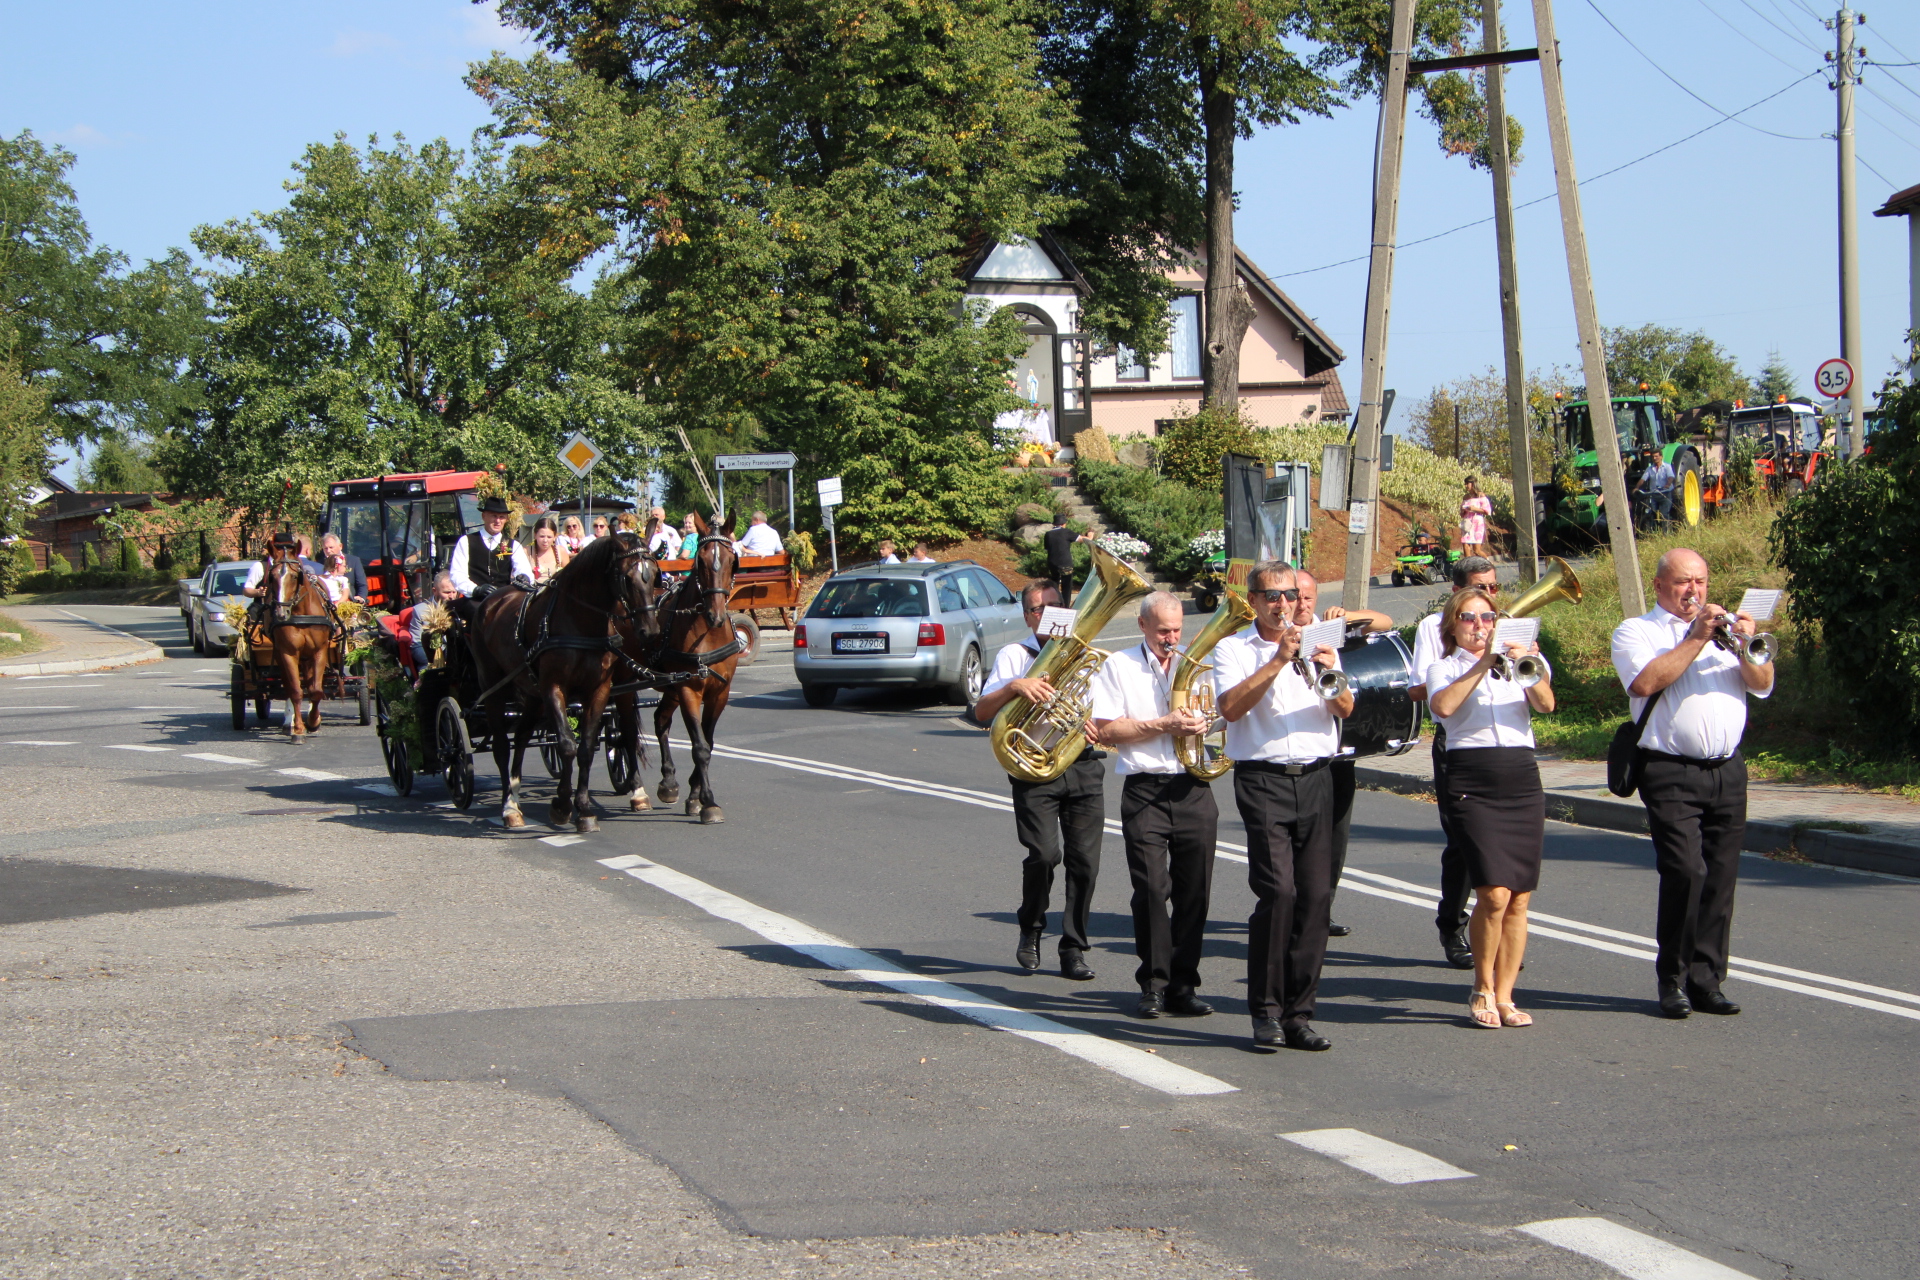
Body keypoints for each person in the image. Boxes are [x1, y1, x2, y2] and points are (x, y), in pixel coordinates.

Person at [1612, 548, 1774, 1019]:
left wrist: (1745, 641)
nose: (1694, 590)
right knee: (1686, 871)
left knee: (1720, 878)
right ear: (1660, 586)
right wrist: (1697, 637)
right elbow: (1644, 683)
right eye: (1684, 582)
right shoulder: (1637, 631)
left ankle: (1707, 981)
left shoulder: (1726, 632)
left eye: (1700, 581)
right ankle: (1672, 978)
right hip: (1670, 770)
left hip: (1727, 770)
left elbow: (1762, 682)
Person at [1214, 561, 1355, 1051]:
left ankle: (1299, 1014)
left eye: (1290, 595)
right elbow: (1230, 709)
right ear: (1252, 600)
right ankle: (1266, 1010)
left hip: (1317, 777)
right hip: (1263, 779)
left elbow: (1345, 708)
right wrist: (1278, 659)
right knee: (1279, 893)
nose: (1283, 604)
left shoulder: (1318, 643)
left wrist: (1328, 667)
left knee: (1316, 899)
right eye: (1272, 596)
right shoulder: (1233, 648)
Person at [1425, 588, 1555, 1029]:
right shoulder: (1444, 668)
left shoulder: (1523, 661)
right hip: (1472, 780)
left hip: (1521, 777)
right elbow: (1443, 707)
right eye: (1469, 618)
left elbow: (1546, 704)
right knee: (1493, 893)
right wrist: (1483, 664)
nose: (1479, 626)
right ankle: (1482, 986)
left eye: (1487, 618)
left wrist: (1526, 663)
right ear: (1453, 626)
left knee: (1519, 897)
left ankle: (1505, 995)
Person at [1089, 592, 1218, 1019]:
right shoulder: (1120, 665)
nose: (1172, 638)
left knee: (1194, 892)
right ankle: (1153, 984)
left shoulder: (1194, 663)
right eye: (1163, 630)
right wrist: (1164, 724)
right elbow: (1107, 730)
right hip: (1144, 788)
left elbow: (1222, 715)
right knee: (1150, 889)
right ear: (1143, 625)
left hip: (1193, 785)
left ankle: (1183, 985)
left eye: (1177, 629)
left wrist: (1205, 721)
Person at [974, 580, 1104, 982]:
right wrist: (1015, 686)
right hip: (1033, 768)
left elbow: (1108, 710)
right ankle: (1031, 927)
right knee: (1045, 856)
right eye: (1038, 609)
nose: (1048, 615)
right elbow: (981, 712)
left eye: (1055, 606)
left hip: (1082, 765)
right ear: (1027, 617)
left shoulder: (1086, 653)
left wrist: (1101, 725)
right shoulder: (1016, 655)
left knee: (1085, 864)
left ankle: (1073, 949)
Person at [1409, 554, 1502, 969]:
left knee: (1502, 848)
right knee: (1464, 843)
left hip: (1504, 748)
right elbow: (1419, 688)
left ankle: (1495, 934)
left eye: (1494, 588)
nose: (1489, 595)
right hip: (1458, 742)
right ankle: (1453, 924)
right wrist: (1468, 669)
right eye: (1480, 588)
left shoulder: (1503, 624)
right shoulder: (1434, 627)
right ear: (1457, 590)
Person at [1291, 568, 1391, 938]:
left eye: (1308, 597)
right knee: (1296, 839)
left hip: (1335, 747)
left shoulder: (1330, 629)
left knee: (1335, 835)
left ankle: (1322, 908)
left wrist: (1348, 615)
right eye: (1296, 596)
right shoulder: (1278, 636)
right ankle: (1291, 906)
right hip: (1294, 749)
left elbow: (1385, 621)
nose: (1302, 604)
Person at [448, 496, 534, 621]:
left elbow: (523, 569)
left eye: (502, 517)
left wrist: (524, 577)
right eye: (494, 516)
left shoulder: (513, 545)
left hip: (504, 600)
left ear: (506, 519)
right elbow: (457, 574)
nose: (498, 521)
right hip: (476, 601)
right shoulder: (466, 541)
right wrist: (476, 589)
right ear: (484, 516)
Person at [409, 572, 463, 670]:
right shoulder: (420, 611)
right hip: (432, 659)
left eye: (454, 592)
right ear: (435, 591)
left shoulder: (462, 609)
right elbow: (416, 645)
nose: (451, 596)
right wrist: (434, 662)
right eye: (447, 592)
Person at [1042, 517, 1090, 596]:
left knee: (1054, 583)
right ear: (1063, 524)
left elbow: (1047, 548)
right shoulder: (1066, 532)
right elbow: (1082, 539)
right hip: (1065, 562)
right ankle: (1065, 603)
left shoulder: (1048, 534)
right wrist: (1090, 536)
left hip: (1052, 562)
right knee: (1067, 585)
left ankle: (1055, 601)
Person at [318, 532, 367, 603]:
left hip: (350, 601)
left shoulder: (353, 561)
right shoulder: (320, 564)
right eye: (325, 548)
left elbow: (362, 584)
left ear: (340, 546)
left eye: (331, 547)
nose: (328, 551)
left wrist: (360, 597)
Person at [1637, 455, 1677, 529]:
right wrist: (1636, 488)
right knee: (1651, 513)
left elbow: (1671, 477)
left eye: (1657, 456)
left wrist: (1668, 484)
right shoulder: (1650, 468)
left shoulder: (1667, 467)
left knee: (1664, 514)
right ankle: (1653, 531)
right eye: (1653, 457)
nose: (1655, 458)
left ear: (1661, 457)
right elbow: (1643, 479)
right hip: (1654, 494)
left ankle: (1666, 532)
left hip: (1665, 493)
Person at [1459, 477, 1493, 559]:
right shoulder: (1466, 497)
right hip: (1467, 523)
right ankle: (1469, 565)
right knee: (1465, 546)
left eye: (1467, 483)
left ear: (1473, 484)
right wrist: (1463, 511)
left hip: (1477, 523)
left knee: (1476, 550)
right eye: (1465, 484)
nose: (1466, 486)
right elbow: (1462, 514)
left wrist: (1474, 509)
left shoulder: (1481, 495)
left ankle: (1488, 562)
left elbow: (1487, 511)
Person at [528, 517, 569, 582]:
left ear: (555, 537)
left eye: (549, 537)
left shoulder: (561, 551)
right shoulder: (527, 552)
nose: (545, 540)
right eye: (542, 536)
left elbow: (568, 576)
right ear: (535, 535)